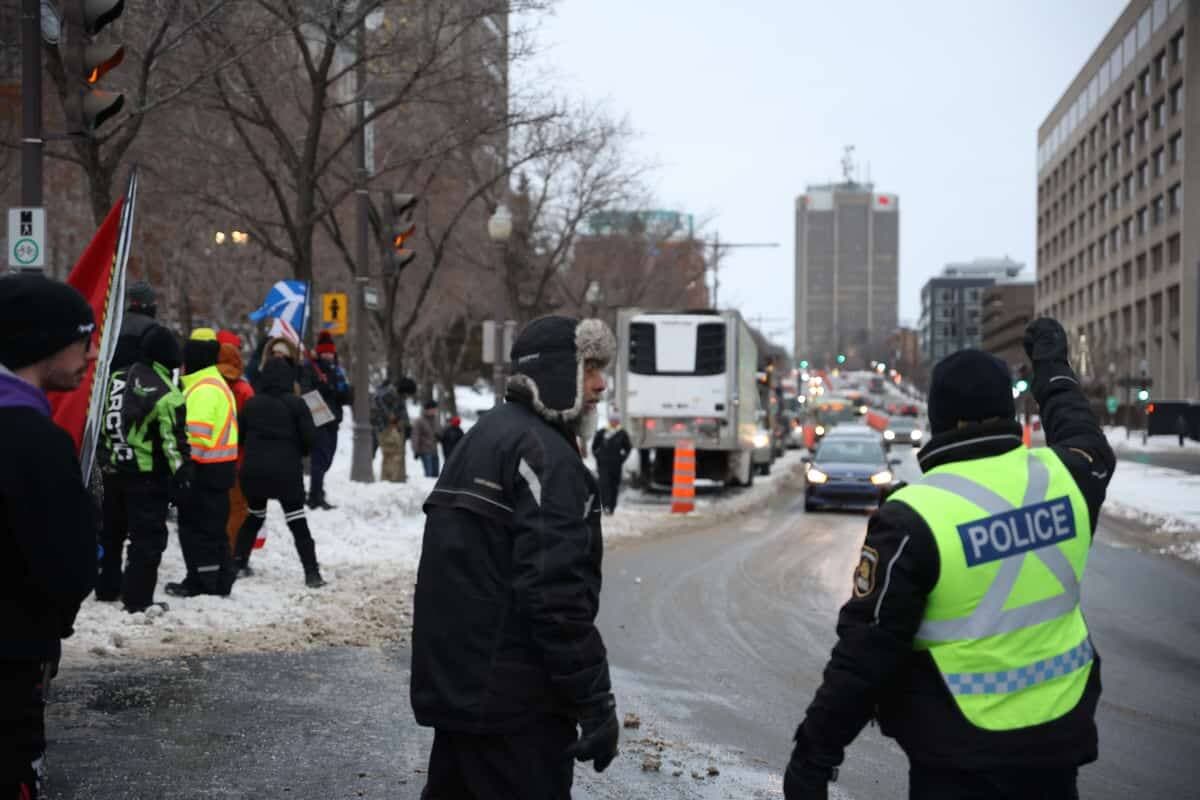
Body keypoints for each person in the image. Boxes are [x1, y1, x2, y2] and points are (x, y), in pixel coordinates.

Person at [782, 318, 1116, 800]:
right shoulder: (1068, 478)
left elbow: (864, 657)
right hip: (1058, 741)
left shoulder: (915, 518)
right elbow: (1084, 434)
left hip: (959, 760)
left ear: (936, 419)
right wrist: (1053, 371)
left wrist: (814, 755)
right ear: (1007, 411)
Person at [411, 315, 620, 798]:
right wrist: (594, 700)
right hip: (516, 709)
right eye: (589, 368)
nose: (600, 385)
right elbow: (554, 595)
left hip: (463, 696)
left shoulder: (485, 436)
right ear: (553, 373)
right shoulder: (546, 457)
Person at [0, 275, 100, 799]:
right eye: (83, 339)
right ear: (45, 344)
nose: (90, 353)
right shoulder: (36, 441)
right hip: (13, 664)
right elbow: (69, 563)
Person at [96, 325, 189, 613]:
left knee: (110, 535)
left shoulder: (115, 379)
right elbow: (172, 444)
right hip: (147, 479)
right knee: (146, 541)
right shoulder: (168, 394)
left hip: (112, 472)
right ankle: (137, 601)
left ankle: (106, 587)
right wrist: (183, 476)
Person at [231, 358, 325, 587]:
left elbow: (239, 437)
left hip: (253, 472)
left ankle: (237, 563)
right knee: (296, 521)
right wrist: (298, 452)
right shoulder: (297, 404)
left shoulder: (252, 404)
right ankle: (311, 572)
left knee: (254, 516)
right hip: (286, 473)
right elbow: (310, 439)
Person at [165, 329, 239, 598]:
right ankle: (218, 580)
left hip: (204, 471)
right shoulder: (213, 384)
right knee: (213, 530)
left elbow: (196, 436)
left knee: (199, 530)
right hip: (218, 470)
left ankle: (203, 583)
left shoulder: (204, 389)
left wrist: (181, 467)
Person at [217, 330, 255, 555]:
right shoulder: (244, 390)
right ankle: (232, 553)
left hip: (210, 460)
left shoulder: (206, 385)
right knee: (238, 509)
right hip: (238, 459)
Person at [303, 331, 351, 510]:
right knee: (320, 458)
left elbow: (345, 397)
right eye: (325, 353)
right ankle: (315, 495)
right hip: (319, 419)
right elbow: (307, 391)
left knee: (327, 459)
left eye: (331, 353)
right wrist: (325, 388)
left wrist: (344, 391)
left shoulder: (337, 370)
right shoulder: (310, 368)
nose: (328, 356)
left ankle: (316, 492)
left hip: (334, 420)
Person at [111, 279, 161, 371]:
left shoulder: (116, 322)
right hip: (139, 380)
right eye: (153, 301)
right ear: (146, 303)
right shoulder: (153, 328)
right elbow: (169, 359)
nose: (156, 304)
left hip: (113, 379)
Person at [591, 413, 632, 514]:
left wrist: (622, 459)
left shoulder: (622, 433)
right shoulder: (602, 432)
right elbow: (594, 447)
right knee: (604, 485)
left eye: (616, 420)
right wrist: (598, 457)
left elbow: (628, 448)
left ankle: (612, 506)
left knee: (614, 485)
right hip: (603, 464)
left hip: (616, 464)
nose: (614, 422)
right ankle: (606, 506)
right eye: (612, 420)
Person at [411, 400, 442, 478]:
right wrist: (416, 451)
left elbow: (439, 431)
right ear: (427, 410)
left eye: (435, 409)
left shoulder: (436, 420)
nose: (435, 411)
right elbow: (415, 436)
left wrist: (439, 435)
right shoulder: (419, 421)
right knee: (429, 474)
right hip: (425, 450)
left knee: (436, 474)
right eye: (433, 409)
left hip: (434, 450)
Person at [379, 415, 407, 483]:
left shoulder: (400, 431)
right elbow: (383, 446)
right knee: (389, 481)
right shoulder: (386, 432)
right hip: (390, 461)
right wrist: (394, 451)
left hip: (398, 462)